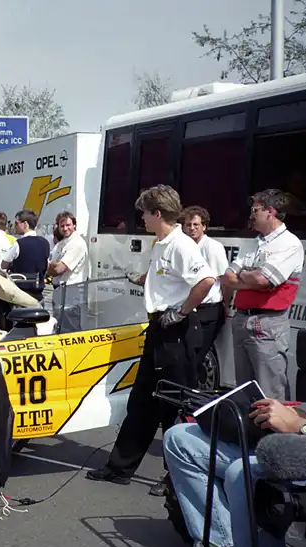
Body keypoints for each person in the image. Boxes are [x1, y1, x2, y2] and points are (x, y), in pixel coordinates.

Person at [87, 185, 215, 488]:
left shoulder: (181, 244)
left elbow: (206, 280)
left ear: (158, 213)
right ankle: (119, 468)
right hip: (159, 329)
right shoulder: (160, 243)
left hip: (177, 331)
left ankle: (178, 478)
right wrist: (141, 279)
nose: (141, 218)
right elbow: (165, 279)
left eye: (144, 213)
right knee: (142, 401)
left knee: (174, 405)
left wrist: (182, 311)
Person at [163, 397, 306, 547]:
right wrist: (281, 413)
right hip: (302, 438)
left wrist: (301, 426)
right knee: (179, 439)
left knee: (241, 473)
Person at [220, 189, 304, 401]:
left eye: (255, 210)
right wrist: (252, 278)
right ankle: (249, 434)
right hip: (242, 320)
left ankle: (275, 434)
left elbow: (264, 280)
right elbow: (228, 276)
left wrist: (246, 276)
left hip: (267, 325)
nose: (251, 215)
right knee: (244, 391)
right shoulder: (255, 242)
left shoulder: (289, 243)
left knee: (270, 392)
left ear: (271, 211)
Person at [181, 205, 229, 373]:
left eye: (196, 224)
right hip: (189, 308)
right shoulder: (184, 247)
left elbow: (225, 279)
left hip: (208, 311)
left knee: (194, 358)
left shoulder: (213, 247)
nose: (191, 228)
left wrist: (227, 305)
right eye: (188, 225)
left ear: (204, 226)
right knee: (186, 357)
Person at [47, 211, 89, 332]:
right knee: (59, 327)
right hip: (59, 291)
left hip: (71, 291)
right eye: (62, 226)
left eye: (68, 225)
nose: (65, 228)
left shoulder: (77, 243)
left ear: (74, 225)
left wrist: (52, 266)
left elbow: (58, 269)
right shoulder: (61, 244)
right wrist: (52, 266)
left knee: (70, 329)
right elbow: (50, 269)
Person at [2, 209, 51, 302]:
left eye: (16, 223)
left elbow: (4, 264)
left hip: (21, 293)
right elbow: (47, 265)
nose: (14, 226)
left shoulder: (19, 243)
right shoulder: (45, 243)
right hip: (38, 292)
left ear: (25, 224)